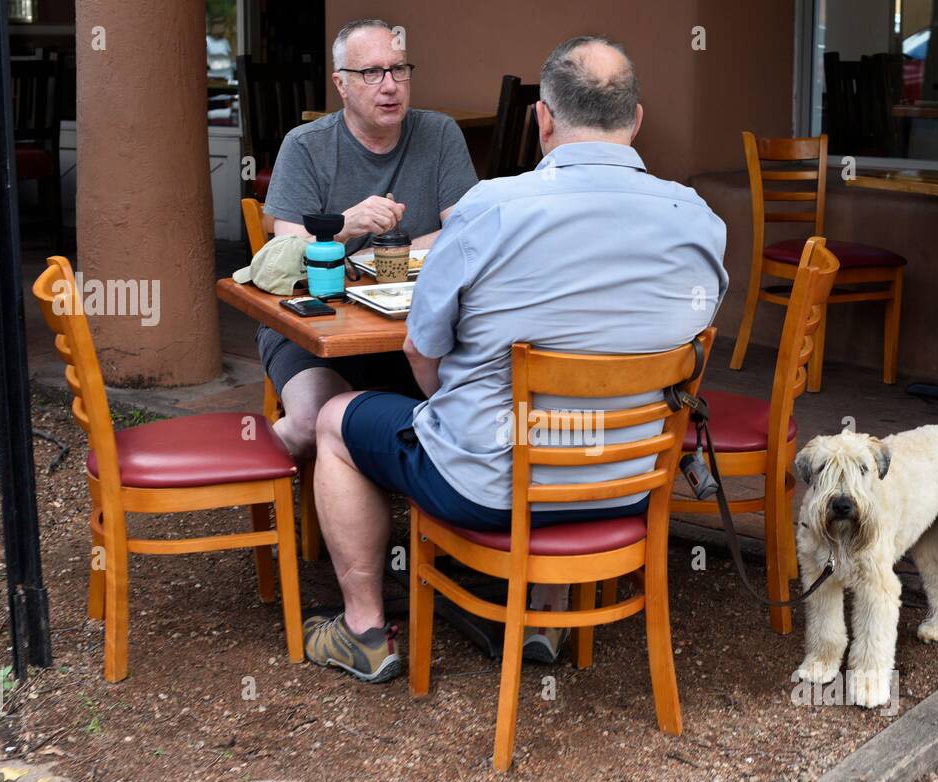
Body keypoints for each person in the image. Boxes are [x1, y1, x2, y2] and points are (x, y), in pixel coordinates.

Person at [302, 35, 729, 682]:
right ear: (636, 120)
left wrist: (452, 404)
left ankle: (363, 630)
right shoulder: (700, 220)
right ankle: (542, 618)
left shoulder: (490, 209)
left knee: (334, 419)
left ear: (543, 118)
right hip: (631, 487)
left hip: (485, 489)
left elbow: (420, 348)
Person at [257, 17, 478, 460]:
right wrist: (345, 224)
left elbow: (469, 231)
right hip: (314, 328)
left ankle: (416, 499)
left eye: (399, 69)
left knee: (470, 413)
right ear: (341, 83)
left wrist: (387, 253)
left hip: (416, 326)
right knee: (307, 425)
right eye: (371, 73)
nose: (390, 85)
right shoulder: (306, 145)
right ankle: (252, 481)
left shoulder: (439, 133)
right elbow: (287, 250)